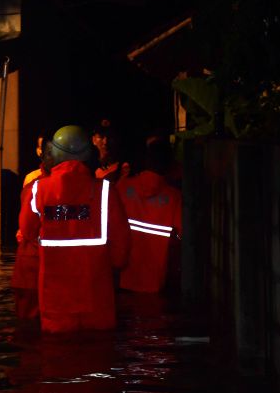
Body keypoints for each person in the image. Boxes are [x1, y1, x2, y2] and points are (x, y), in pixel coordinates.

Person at [19, 125, 131, 333]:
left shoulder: (38, 189)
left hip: (55, 300)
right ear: (88, 153)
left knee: (57, 359)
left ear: (54, 152)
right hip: (97, 298)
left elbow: (27, 232)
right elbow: (120, 253)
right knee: (98, 358)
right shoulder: (106, 191)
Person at [116, 134, 182, 294]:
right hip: (156, 282)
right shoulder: (174, 197)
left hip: (123, 278)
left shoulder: (123, 186)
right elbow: (183, 237)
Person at [11, 136, 52, 321]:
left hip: (33, 265)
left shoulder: (34, 185)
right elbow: (27, 228)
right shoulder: (33, 183)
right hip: (34, 265)